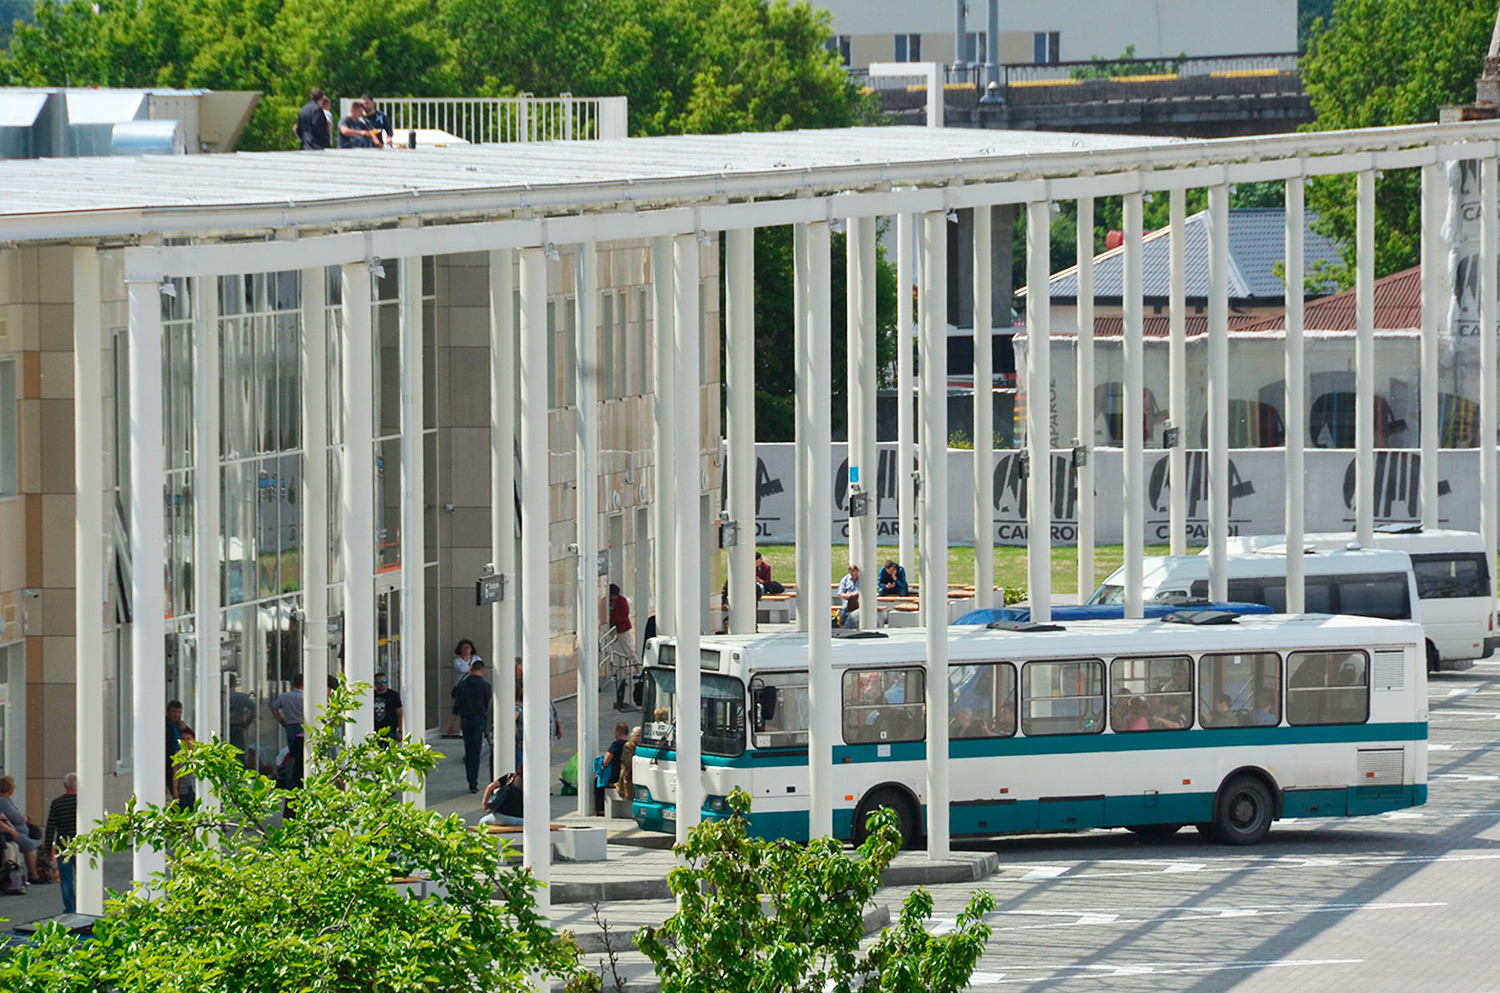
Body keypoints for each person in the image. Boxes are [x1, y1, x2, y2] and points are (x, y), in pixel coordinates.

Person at [513, 658, 563, 770]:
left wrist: (558, 723)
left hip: (542, 733)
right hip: (524, 735)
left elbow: (551, 706)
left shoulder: (539, 687)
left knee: (541, 764)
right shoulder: (515, 687)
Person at [453, 659, 492, 793]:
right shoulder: (485, 686)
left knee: (469, 750)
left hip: (465, 719)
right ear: (482, 670)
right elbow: (489, 705)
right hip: (479, 719)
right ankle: (473, 783)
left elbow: (457, 705)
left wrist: (452, 724)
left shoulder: (462, 685)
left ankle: (470, 779)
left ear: (471, 669)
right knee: (476, 751)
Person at [43, 774, 78, 914]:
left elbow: (50, 827)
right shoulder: (83, 803)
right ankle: (85, 905)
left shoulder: (57, 803)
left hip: (63, 846)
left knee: (66, 879)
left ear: (65, 786)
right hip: (82, 844)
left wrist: (47, 850)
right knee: (85, 877)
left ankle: (70, 908)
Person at [0, 776, 43, 884]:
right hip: (11, 833)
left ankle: (36, 873)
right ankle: (33, 875)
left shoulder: (6, 800)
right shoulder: (2, 801)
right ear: (9, 788)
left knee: (35, 843)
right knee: (29, 845)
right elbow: (16, 817)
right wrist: (25, 818)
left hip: (16, 832)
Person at [271, 676, 306, 790]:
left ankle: (289, 781)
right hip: (303, 726)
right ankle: (302, 779)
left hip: (290, 726)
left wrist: (281, 721)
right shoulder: (306, 697)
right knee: (303, 754)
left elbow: (274, 707)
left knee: (292, 754)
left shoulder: (285, 696)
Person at [447, 640, 482, 736]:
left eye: (468, 648)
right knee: (461, 708)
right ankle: (462, 728)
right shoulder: (457, 661)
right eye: (464, 648)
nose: (466, 650)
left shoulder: (476, 658)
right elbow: (461, 669)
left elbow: (478, 668)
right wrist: (471, 668)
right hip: (461, 686)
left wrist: (469, 669)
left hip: (475, 687)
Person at [596, 722, 629, 815]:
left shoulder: (615, 745)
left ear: (618, 731)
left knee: (597, 783)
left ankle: (601, 809)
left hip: (615, 776)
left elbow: (605, 762)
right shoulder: (630, 745)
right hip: (626, 775)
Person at [227, 674, 256, 757]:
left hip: (223, 726)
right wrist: (247, 722)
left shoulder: (219, 696)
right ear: (234, 684)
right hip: (237, 725)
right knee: (238, 749)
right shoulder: (241, 696)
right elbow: (253, 708)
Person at [373, 672, 404, 744]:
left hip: (390, 729)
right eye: (379, 682)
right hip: (375, 729)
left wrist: (400, 730)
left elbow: (399, 712)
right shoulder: (372, 695)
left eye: (385, 681)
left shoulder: (393, 695)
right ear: (375, 683)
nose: (382, 684)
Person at [166, 700, 186, 798]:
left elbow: (191, 738)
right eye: (174, 712)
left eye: (179, 712)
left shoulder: (180, 726)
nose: (176, 715)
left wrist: (185, 729)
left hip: (181, 758)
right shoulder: (165, 725)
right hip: (169, 760)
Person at [173, 728, 198, 809]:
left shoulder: (199, 754)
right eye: (184, 739)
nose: (186, 741)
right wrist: (175, 791)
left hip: (196, 788)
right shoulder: (178, 755)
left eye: (188, 739)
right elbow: (175, 774)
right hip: (183, 789)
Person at [615, 726, 641, 802]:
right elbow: (628, 763)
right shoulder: (628, 746)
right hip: (628, 776)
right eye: (637, 735)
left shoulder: (643, 745)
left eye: (640, 735)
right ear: (632, 735)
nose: (639, 737)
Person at [837, 564, 861, 628]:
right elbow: (840, 594)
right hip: (848, 599)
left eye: (856, 571)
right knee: (845, 608)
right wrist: (850, 595)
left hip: (859, 598)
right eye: (853, 571)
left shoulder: (862, 579)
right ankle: (843, 624)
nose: (855, 573)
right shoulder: (845, 580)